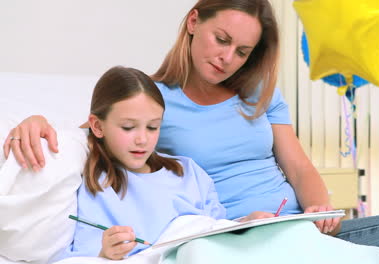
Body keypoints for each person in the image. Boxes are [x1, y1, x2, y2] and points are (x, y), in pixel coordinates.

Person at [3, 0, 379, 261]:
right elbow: (100, 126)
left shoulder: (259, 91)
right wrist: (35, 121)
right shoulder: (156, 102)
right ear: (192, 23)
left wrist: (320, 208)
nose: (228, 59)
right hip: (242, 240)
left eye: (243, 51)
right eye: (221, 40)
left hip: (300, 227)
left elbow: (298, 164)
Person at [57, 66, 272, 260]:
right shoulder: (98, 186)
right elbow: (82, 255)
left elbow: (218, 231)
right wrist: (106, 252)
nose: (142, 139)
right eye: (128, 127)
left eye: (152, 127)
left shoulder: (188, 172)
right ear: (97, 126)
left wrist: (245, 224)